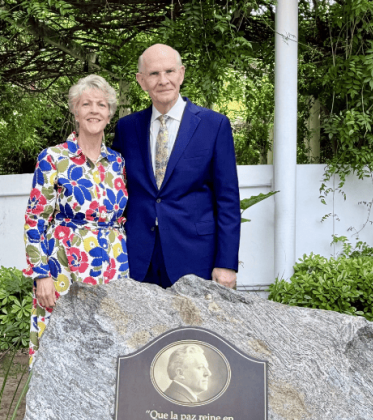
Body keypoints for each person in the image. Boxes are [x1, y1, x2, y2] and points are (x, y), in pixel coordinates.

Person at [112, 44, 240, 290]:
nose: (163, 80)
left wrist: (226, 263)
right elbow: (118, 192)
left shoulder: (214, 125)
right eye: (154, 74)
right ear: (141, 80)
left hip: (195, 256)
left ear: (181, 74)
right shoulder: (127, 129)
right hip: (138, 258)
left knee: (194, 329)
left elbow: (228, 200)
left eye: (169, 71)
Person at [23, 74, 129, 368]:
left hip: (113, 265)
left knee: (107, 343)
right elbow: (35, 220)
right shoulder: (53, 158)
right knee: (61, 346)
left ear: (109, 113)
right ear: (75, 110)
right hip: (64, 265)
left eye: (101, 104)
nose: (94, 110)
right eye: (86, 104)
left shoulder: (118, 162)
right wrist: (40, 275)